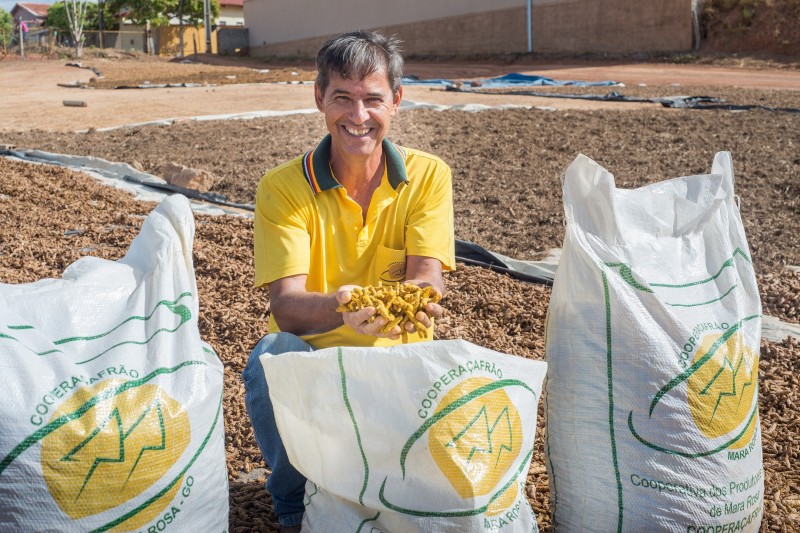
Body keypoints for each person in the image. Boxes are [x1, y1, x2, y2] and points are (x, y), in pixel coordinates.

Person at [242, 30, 455, 532]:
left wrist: (414, 301)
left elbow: (427, 278)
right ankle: (295, 509)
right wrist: (343, 307)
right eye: (342, 97)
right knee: (271, 355)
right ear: (319, 98)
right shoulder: (284, 188)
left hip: (398, 363)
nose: (358, 116)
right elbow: (287, 306)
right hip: (318, 364)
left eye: (372, 99)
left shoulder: (428, 177)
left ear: (396, 102)